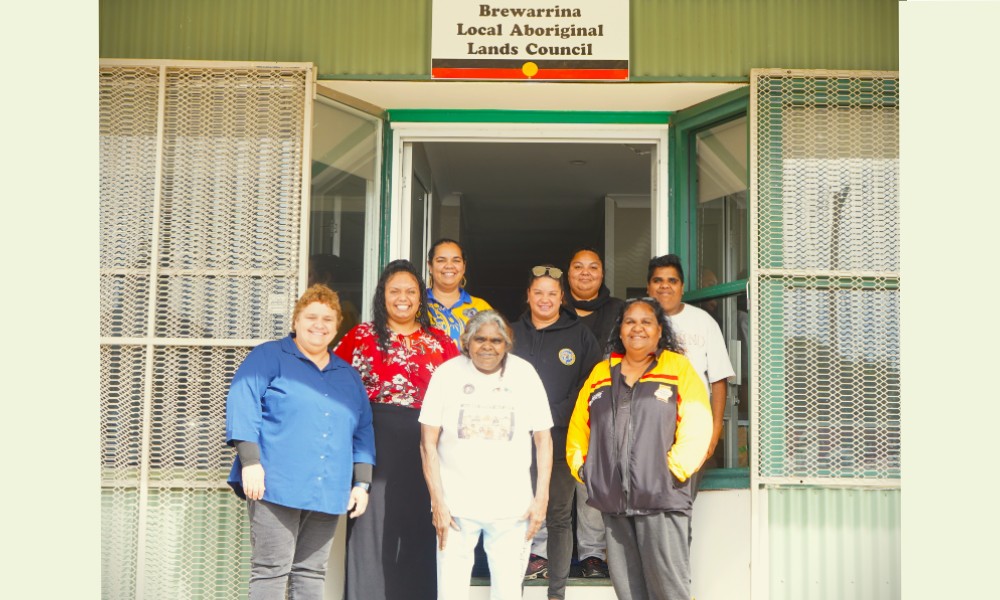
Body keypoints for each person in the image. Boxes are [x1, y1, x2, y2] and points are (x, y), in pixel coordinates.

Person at [225, 283, 376, 600]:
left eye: (328, 319)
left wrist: (361, 484)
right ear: (296, 321)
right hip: (276, 484)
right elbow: (243, 401)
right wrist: (250, 462)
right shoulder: (269, 356)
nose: (319, 325)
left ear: (337, 328)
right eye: (311, 317)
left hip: (328, 487)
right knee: (272, 569)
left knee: (311, 573)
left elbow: (362, 429)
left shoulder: (347, 375)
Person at [566, 298, 712, 600]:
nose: (637, 328)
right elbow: (579, 427)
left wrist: (671, 472)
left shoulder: (677, 368)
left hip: (662, 497)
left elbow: (698, 424)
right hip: (614, 500)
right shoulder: (601, 374)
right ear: (620, 330)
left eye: (646, 321)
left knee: (670, 588)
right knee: (629, 590)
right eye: (630, 321)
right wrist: (586, 470)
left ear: (660, 330)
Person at [334, 259, 460, 600]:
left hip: (426, 451)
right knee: (370, 536)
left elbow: (458, 398)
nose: (402, 298)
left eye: (410, 291)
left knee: (419, 535)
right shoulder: (360, 337)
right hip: (373, 450)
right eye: (394, 291)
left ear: (421, 298)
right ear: (382, 295)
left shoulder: (441, 344)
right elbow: (335, 387)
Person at [419, 310, 554, 600]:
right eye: (480, 339)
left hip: (512, 507)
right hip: (455, 507)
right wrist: (438, 501)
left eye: (496, 340)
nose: (487, 346)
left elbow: (544, 439)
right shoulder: (447, 374)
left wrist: (540, 498)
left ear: (506, 344)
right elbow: (427, 442)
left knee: (507, 592)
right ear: (467, 341)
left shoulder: (524, 374)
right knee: (451, 591)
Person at [512, 264, 601, 596]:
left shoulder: (579, 335)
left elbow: (590, 386)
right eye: (538, 293)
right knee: (516, 511)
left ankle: (557, 592)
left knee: (559, 515)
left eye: (552, 293)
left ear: (562, 297)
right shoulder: (511, 332)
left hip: (562, 438)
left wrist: (551, 416)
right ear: (528, 295)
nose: (545, 299)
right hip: (516, 442)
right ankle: (514, 585)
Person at [563, 248, 623, 578]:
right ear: (567, 272)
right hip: (557, 407)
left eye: (593, 267)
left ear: (602, 273)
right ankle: (541, 554)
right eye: (578, 267)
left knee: (593, 480)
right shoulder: (552, 307)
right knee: (557, 481)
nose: (585, 273)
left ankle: (592, 555)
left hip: (604, 408)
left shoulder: (618, 311)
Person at [646, 254, 735, 474]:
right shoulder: (637, 321)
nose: (665, 285)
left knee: (681, 499)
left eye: (672, 280)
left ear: (682, 287)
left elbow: (718, 379)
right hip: (646, 425)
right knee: (645, 496)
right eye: (658, 280)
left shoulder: (703, 321)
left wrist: (715, 431)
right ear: (648, 287)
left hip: (692, 426)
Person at [426, 238, 493, 348]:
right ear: (430, 266)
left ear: (464, 266)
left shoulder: (481, 308)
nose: (449, 266)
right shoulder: (417, 305)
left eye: (456, 260)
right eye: (441, 260)